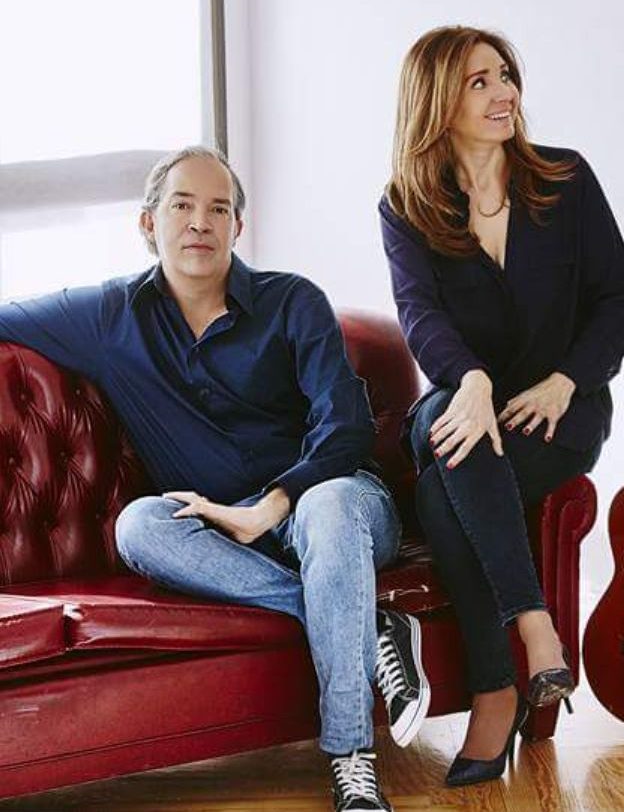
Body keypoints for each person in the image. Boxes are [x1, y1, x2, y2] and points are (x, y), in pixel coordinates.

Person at [0, 147, 429, 812]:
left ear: (237, 227)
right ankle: (371, 626)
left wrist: (274, 504)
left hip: (334, 503)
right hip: (219, 530)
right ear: (149, 223)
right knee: (138, 524)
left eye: (218, 208)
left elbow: (346, 426)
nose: (200, 221)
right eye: (182, 205)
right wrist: (238, 518)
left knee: (331, 506)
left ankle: (352, 759)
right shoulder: (109, 316)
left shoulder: (291, 301)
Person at [379, 26, 624, 787]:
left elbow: (616, 297)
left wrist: (567, 380)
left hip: (559, 409)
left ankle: (495, 691)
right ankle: (535, 627)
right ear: (436, 102)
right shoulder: (407, 206)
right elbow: (419, 314)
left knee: (441, 487)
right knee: (452, 431)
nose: (505, 94)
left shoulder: (566, 178)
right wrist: (472, 381)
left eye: (505, 75)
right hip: (464, 402)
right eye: (480, 82)